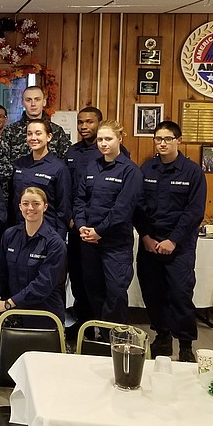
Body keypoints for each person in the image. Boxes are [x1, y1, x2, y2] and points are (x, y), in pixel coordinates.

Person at [0, 187, 67, 395]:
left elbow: (42, 286)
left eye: (36, 204)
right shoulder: (10, 235)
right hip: (12, 310)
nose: (31, 208)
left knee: (46, 379)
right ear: (19, 207)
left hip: (42, 314)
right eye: (26, 203)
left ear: (45, 207)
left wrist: (7, 304)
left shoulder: (55, 243)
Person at [134, 121, 206, 362]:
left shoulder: (191, 171)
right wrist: (144, 236)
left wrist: (173, 241)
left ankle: (186, 344)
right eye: (158, 139)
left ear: (178, 140)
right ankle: (162, 336)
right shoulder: (147, 169)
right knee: (153, 293)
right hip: (149, 243)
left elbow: (194, 211)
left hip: (179, 245)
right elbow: (138, 206)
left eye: (167, 138)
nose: (162, 143)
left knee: (179, 293)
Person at [74, 120, 143, 325]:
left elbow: (122, 209)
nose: (103, 143)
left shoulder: (131, 171)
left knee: (115, 293)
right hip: (89, 242)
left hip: (115, 244)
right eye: (100, 139)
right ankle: (101, 338)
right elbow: (80, 200)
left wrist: (99, 231)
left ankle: (115, 340)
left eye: (108, 139)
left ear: (119, 139)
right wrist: (81, 226)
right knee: (93, 291)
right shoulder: (92, 166)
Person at [0, 86, 70, 201]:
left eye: (37, 99)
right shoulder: (10, 131)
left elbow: (63, 164)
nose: (33, 104)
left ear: (44, 102)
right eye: (29, 100)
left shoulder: (56, 131)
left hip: (48, 197)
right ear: (23, 103)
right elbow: (2, 166)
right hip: (17, 195)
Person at [10, 120, 72, 239]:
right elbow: (13, 201)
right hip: (20, 231)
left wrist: (59, 238)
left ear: (49, 137)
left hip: (47, 232)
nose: (33, 138)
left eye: (38, 133)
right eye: (29, 134)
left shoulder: (59, 168)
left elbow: (63, 208)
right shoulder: (19, 164)